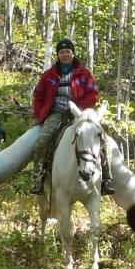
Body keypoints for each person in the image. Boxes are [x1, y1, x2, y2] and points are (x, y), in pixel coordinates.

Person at [30, 38, 114, 196]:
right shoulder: (49, 75)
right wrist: (39, 114)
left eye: (67, 51)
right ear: (58, 55)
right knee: (42, 141)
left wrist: (79, 108)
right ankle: (38, 177)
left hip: (81, 113)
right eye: (61, 52)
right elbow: (39, 96)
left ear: (73, 53)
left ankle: (106, 178)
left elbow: (93, 94)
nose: (65, 55)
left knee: (104, 140)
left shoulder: (84, 74)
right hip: (56, 113)